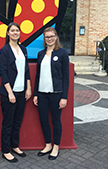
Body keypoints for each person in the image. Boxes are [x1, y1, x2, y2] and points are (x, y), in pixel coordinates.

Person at [33, 27, 69, 160]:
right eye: (47, 37)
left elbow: (66, 77)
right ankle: (48, 144)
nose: (49, 39)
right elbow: (38, 75)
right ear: (44, 39)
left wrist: (64, 97)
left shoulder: (62, 53)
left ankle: (56, 146)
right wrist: (36, 93)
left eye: (52, 36)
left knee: (55, 120)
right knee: (43, 120)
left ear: (56, 37)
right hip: (42, 93)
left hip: (56, 93)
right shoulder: (41, 54)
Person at [0, 22, 31, 163]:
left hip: (22, 92)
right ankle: (6, 150)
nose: (15, 33)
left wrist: (28, 88)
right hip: (9, 94)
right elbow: (3, 72)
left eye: (17, 30)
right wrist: (10, 92)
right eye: (12, 31)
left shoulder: (23, 49)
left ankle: (14, 145)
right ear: (8, 33)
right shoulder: (4, 50)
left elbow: (27, 70)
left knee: (17, 121)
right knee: (8, 123)